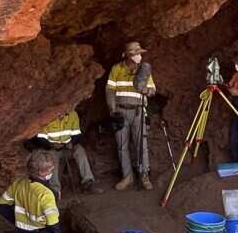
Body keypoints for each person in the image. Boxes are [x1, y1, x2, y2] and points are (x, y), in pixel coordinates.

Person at [105, 41, 157, 190]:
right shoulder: (117, 69)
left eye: (140, 53)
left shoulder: (144, 70)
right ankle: (127, 177)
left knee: (142, 144)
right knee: (122, 146)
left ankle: (144, 175)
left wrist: (146, 90)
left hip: (138, 111)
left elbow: (153, 89)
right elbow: (110, 90)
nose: (139, 56)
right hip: (120, 111)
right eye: (136, 54)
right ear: (128, 55)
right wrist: (112, 111)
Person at [30, 108, 102, 196]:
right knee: (51, 158)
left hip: (68, 148)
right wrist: (52, 145)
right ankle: (55, 190)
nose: (62, 114)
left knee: (79, 150)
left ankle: (88, 182)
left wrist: (72, 143)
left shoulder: (73, 114)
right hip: (52, 150)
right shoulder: (47, 117)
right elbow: (40, 139)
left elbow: (77, 134)